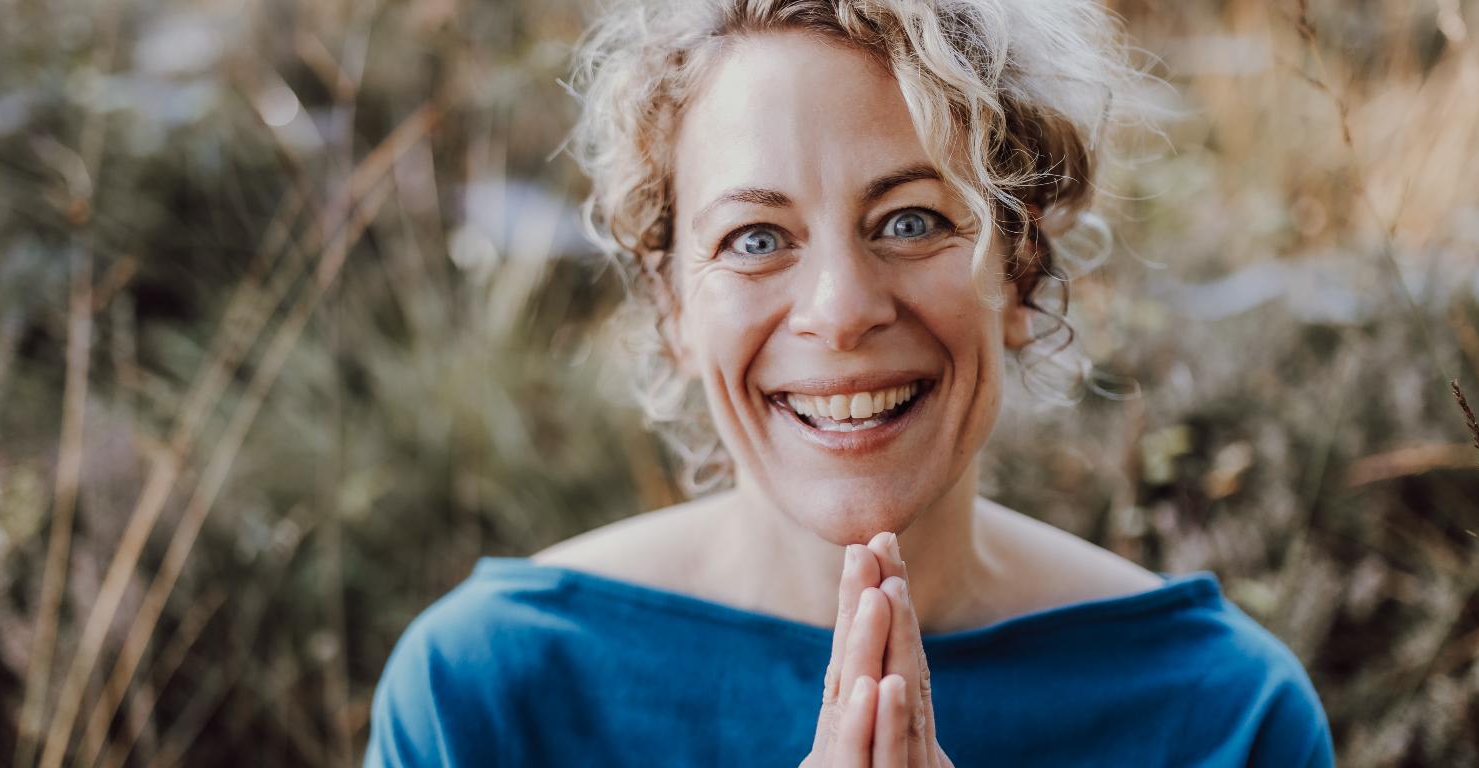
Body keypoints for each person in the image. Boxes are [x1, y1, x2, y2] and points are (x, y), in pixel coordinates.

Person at [364, 0, 1336, 765]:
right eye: (755, 238)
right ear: (672, 307)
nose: (839, 309)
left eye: (912, 221)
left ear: (1020, 271)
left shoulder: (1224, 716)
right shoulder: (484, 696)